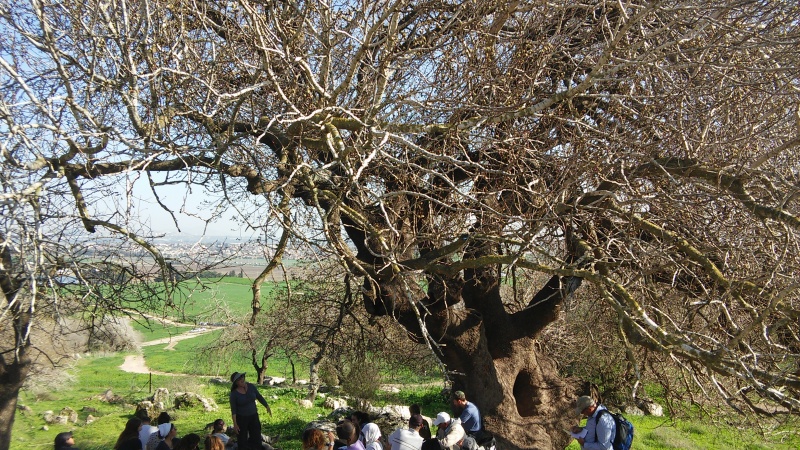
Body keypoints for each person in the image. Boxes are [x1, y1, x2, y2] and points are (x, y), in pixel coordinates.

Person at [229, 371, 272, 450]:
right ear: (236, 383)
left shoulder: (251, 387)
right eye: (239, 379)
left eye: (242, 377)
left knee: (256, 436)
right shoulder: (234, 394)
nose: (242, 379)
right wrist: (235, 424)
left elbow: (259, 396)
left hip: (253, 416)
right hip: (241, 418)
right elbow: (233, 410)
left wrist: (267, 406)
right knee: (242, 439)